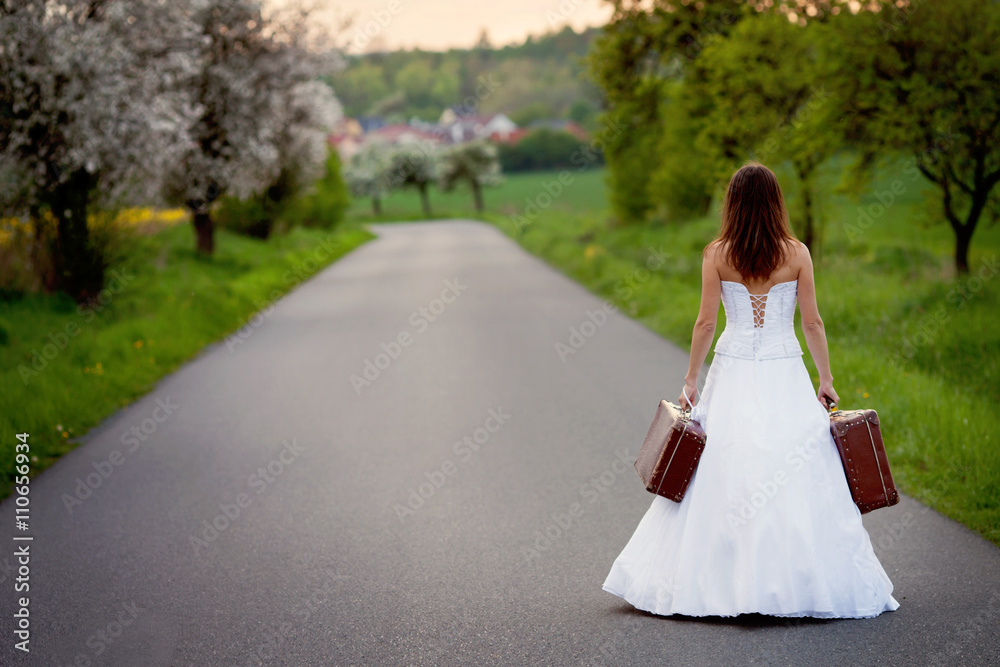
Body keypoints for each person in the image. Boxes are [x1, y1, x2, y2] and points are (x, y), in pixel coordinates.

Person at [602, 162, 900, 618]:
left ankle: (721, 580)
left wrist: (690, 379)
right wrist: (825, 379)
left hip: (733, 368)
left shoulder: (716, 253)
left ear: (733, 203)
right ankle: (798, 580)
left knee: (724, 461)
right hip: (785, 369)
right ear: (776, 201)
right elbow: (812, 322)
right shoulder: (797, 253)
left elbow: (706, 322)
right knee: (796, 462)